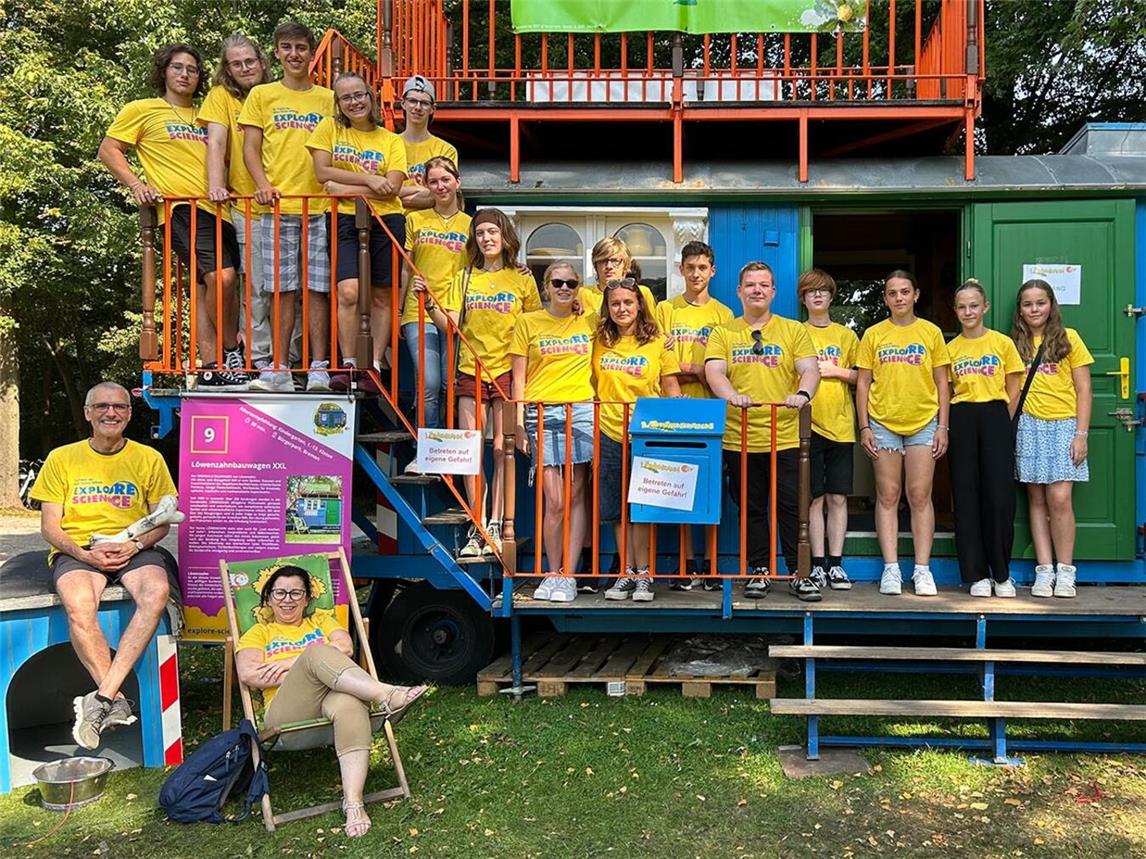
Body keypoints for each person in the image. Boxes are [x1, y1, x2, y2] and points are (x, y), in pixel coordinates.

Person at [29, 382, 178, 749]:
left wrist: (135, 544)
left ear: (129, 413)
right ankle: (116, 700)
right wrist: (85, 555)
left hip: (133, 545)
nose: (111, 413)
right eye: (102, 407)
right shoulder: (62, 458)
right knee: (79, 603)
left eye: (119, 407)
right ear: (87, 413)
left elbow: (163, 518)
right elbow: (50, 527)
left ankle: (102, 697)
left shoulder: (149, 458)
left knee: (156, 592)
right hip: (80, 549)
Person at [235, 564, 428, 838]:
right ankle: (385, 695)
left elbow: (346, 648)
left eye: (295, 593)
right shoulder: (259, 633)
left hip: (330, 702)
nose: (287, 600)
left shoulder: (322, 621)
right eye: (279, 593)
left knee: (349, 705)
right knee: (316, 654)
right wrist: (303, 667)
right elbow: (249, 674)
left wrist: (289, 664)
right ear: (267, 598)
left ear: (307, 598)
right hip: (285, 714)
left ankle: (354, 804)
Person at [98, 44, 246, 390]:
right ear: (163, 72)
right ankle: (231, 349)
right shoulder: (143, 109)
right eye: (177, 67)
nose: (184, 74)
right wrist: (137, 184)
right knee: (220, 277)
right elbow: (108, 149)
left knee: (207, 284)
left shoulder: (207, 113)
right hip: (182, 207)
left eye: (192, 69)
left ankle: (212, 367)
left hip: (223, 208)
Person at [421, 209, 541, 556]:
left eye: (492, 231)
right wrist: (429, 305)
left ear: (505, 235)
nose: (487, 238)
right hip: (470, 370)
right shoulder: (465, 276)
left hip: (506, 371)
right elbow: (451, 325)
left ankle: (498, 523)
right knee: (471, 452)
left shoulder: (522, 278)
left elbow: (534, 327)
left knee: (504, 452)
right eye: (480, 233)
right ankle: (478, 522)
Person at [704, 262, 821, 602]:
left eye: (763, 285)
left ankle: (800, 574)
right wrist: (731, 395)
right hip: (740, 437)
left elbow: (809, 370)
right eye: (750, 285)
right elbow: (715, 373)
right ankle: (759, 570)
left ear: (773, 292)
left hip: (785, 436)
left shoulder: (793, 331)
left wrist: (802, 394)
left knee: (792, 507)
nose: (757, 290)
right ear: (739, 291)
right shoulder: (723, 332)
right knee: (752, 508)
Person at [239, 21, 335, 392]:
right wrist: (262, 186)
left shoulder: (327, 99)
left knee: (316, 289)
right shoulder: (262, 95)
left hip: (320, 206)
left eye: (300, 47)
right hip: (277, 206)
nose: (294, 54)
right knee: (281, 289)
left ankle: (317, 367)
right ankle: (279, 367)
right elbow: (250, 148)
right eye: (286, 47)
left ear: (312, 53)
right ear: (276, 53)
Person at [307, 72, 407, 386]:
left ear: (370, 96)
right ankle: (349, 363)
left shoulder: (391, 139)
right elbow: (322, 172)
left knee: (381, 296)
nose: (355, 102)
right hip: (344, 219)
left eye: (360, 94)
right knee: (348, 291)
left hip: (386, 219)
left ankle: (373, 365)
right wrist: (366, 180)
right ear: (338, 103)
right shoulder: (329, 129)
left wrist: (343, 185)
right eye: (346, 97)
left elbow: (392, 187)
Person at [856, 270, 951, 597]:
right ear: (885, 298)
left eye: (904, 292)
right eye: (892, 293)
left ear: (916, 295)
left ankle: (922, 570)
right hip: (883, 422)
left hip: (924, 422)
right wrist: (864, 425)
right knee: (888, 495)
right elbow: (863, 383)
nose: (899, 298)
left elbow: (942, 382)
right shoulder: (873, 335)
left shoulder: (931, 333)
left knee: (920, 495)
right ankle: (891, 569)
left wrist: (943, 425)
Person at [510, 262, 598, 603]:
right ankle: (552, 570)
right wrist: (517, 422)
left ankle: (570, 575)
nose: (564, 288)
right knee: (554, 500)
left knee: (576, 497)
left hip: (581, 410)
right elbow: (518, 377)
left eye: (571, 283)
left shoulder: (587, 319)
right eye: (558, 282)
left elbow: (623, 303)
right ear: (545, 286)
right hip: (541, 411)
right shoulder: (528, 321)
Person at [595, 278, 682, 602]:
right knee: (617, 510)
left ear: (639, 306)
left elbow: (670, 385)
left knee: (642, 508)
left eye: (628, 303)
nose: (621, 309)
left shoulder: (657, 341)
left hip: (647, 433)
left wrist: (677, 418)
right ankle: (625, 574)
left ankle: (644, 575)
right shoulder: (599, 339)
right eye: (615, 303)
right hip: (607, 431)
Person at [655, 240, 733, 589]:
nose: (696, 273)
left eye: (703, 268)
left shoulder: (723, 315)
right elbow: (659, 362)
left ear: (712, 271)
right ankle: (687, 564)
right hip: (676, 408)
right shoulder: (664, 310)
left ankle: (712, 565)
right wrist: (694, 369)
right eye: (690, 268)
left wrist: (689, 367)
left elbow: (723, 369)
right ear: (681, 270)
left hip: (712, 410)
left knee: (711, 489)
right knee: (681, 486)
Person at [1011, 278, 1093, 598]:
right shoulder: (1014, 344)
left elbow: (1084, 389)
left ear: (1051, 305)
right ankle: (1044, 570)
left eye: (1040, 302)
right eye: (1027, 304)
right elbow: (1012, 392)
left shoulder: (1068, 339)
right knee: (1036, 499)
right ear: (1019, 309)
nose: (1034, 309)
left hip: (1064, 425)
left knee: (1060, 499)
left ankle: (1066, 571)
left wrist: (1081, 434)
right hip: (1029, 425)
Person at [200, 34, 275, 375]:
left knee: (294, 291)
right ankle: (259, 359)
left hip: (291, 205)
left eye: (250, 60)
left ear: (262, 61)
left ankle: (291, 359)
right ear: (227, 69)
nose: (245, 68)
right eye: (237, 63)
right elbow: (215, 141)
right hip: (249, 207)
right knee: (256, 287)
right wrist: (216, 185)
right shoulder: (222, 97)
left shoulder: (278, 94)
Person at [947, 279, 1024, 597]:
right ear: (955, 311)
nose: (968, 311)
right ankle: (976, 574)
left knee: (999, 496)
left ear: (985, 307)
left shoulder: (1002, 343)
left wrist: (1001, 423)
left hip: (996, 416)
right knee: (966, 495)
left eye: (974, 306)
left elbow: (1014, 387)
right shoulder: (950, 349)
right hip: (962, 416)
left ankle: (1002, 573)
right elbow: (946, 388)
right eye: (962, 307)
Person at [398, 156, 470, 456]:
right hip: (418, 308)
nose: (440, 186)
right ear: (426, 186)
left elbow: (482, 265)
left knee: (447, 386)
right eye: (433, 181)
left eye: (445, 179)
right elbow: (405, 268)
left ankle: (446, 453)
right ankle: (425, 451)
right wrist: (398, 309)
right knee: (429, 382)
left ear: (457, 182)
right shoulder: (415, 220)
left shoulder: (471, 224)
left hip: (454, 312)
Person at [799, 269, 859, 592]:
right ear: (804, 298)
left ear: (832, 296)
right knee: (814, 498)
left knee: (837, 497)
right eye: (811, 292)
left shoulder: (846, 336)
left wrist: (836, 370)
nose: (818, 296)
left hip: (840, 425)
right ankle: (818, 565)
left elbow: (864, 377)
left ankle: (836, 564)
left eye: (823, 291)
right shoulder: (797, 332)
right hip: (809, 426)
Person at [397, 76, 459, 211]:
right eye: (412, 101)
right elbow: (380, 192)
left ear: (432, 108)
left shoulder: (445, 150)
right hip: (392, 223)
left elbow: (440, 197)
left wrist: (396, 196)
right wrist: (420, 190)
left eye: (424, 103)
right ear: (403, 103)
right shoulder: (389, 143)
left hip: (429, 226)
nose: (417, 107)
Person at [578, 237, 657, 316]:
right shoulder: (582, 294)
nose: (609, 266)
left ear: (625, 264)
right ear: (595, 265)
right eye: (602, 261)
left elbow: (651, 325)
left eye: (615, 261)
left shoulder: (641, 293)